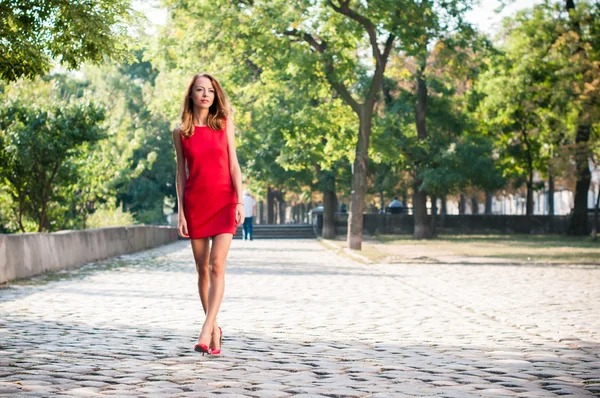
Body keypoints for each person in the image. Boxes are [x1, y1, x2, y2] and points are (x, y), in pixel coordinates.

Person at [172, 73, 244, 356]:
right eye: (200, 90)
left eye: (210, 91)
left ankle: (206, 329)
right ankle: (215, 329)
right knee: (201, 269)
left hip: (225, 201)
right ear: (191, 94)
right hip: (196, 204)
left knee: (216, 265)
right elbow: (181, 173)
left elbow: (234, 164)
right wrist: (181, 212)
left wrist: (239, 201)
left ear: (215, 96)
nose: (205, 95)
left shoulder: (224, 124)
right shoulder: (181, 132)